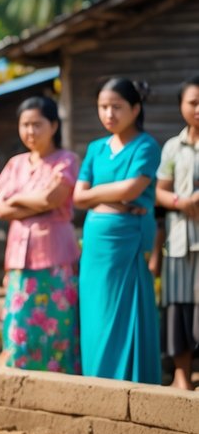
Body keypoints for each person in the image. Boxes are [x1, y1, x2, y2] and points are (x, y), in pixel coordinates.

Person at [75, 78, 161, 384]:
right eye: (103, 107)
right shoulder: (96, 148)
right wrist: (116, 198)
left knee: (125, 310)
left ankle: (129, 383)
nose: (109, 113)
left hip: (128, 240)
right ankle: (97, 382)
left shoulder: (146, 145)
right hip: (95, 243)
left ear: (135, 109)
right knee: (95, 310)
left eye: (116, 106)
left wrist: (95, 195)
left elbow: (132, 188)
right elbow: (77, 197)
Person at [0, 97, 81, 374]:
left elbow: (52, 199)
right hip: (19, 257)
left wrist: (17, 199)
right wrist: (37, 202)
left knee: (56, 327)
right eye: (25, 124)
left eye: (37, 124)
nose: (30, 131)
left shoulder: (66, 160)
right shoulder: (15, 163)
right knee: (18, 326)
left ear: (53, 125)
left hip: (56, 256)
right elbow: (1, 209)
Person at [157, 76, 199, 390]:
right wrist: (179, 202)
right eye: (193, 102)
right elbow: (160, 190)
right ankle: (181, 376)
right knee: (178, 308)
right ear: (181, 106)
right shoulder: (173, 147)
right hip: (178, 239)